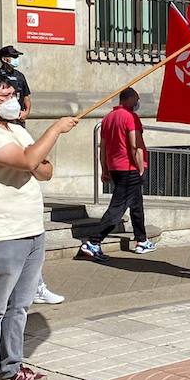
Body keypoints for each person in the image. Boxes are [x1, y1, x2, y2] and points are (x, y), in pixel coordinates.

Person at [0, 70, 78, 380]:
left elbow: (44, 170)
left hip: (31, 230)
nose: (14, 101)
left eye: (15, 95)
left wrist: (34, 158)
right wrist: (54, 129)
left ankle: (12, 366)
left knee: (20, 306)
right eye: (6, 96)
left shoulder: (16, 130)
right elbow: (29, 160)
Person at [79, 88, 153, 261]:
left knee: (136, 205)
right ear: (130, 99)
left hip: (115, 167)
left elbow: (103, 147)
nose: (137, 103)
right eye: (137, 99)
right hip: (129, 168)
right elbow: (135, 145)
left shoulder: (107, 119)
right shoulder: (130, 117)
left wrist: (104, 169)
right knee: (117, 208)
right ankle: (93, 242)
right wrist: (140, 166)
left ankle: (141, 240)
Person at [0, 45, 32, 120]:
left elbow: (26, 96)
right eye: (14, 57)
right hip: (2, 118)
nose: (16, 59)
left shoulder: (20, 75)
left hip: (18, 117)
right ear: (4, 59)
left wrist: (26, 112)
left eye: (17, 57)